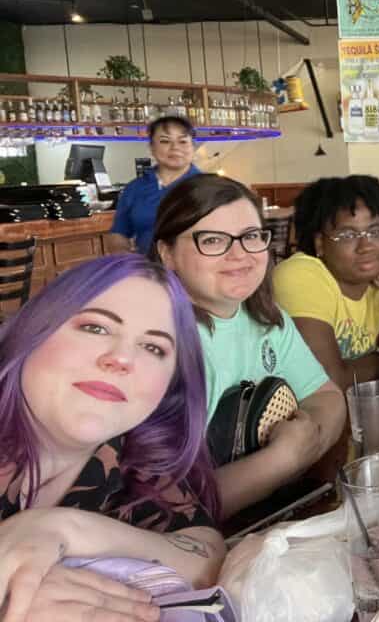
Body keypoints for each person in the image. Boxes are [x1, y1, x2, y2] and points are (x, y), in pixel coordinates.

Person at [0, 254, 224, 622]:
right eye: (96, 328)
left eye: (153, 348)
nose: (121, 359)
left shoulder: (128, 456)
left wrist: (61, 528)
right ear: (33, 331)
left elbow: (206, 552)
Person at [151, 174, 345, 519]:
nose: (240, 255)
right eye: (212, 241)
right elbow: (168, 506)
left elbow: (327, 398)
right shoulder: (158, 344)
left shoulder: (266, 318)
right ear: (168, 253)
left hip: (267, 517)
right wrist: (282, 460)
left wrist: (305, 438)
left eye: (251, 237)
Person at [273, 175, 379, 387]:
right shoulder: (300, 274)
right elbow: (327, 381)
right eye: (348, 235)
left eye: (375, 231)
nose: (366, 246)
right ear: (320, 243)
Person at [109, 116, 201, 255]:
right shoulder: (135, 188)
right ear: (151, 147)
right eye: (165, 141)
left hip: (198, 272)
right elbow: (119, 233)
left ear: (193, 147)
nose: (175, 147)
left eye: (183, 141)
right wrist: (127, 259)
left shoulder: (208, 186)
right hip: (149, 270)